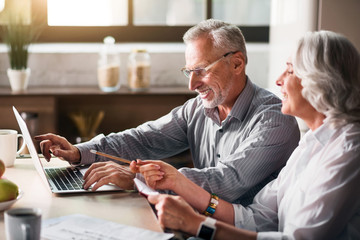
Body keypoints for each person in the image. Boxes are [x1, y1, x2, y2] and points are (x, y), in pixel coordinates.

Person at [35, 19, 299, 205]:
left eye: (201, 71)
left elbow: (228, 181)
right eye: (188, 71)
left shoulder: (275, 119)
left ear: (237, 63)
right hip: (197, 221)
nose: (192, 85)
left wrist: (138, 178)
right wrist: (81, 151)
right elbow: (143, 139)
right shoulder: (198, 109)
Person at [136, 30, 360, 239]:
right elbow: (257, 216)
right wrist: (178, 183)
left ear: (321, 80)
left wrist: (197, 224)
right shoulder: (311, 143)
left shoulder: (350, 149)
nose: (279, 79)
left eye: (290, 70)